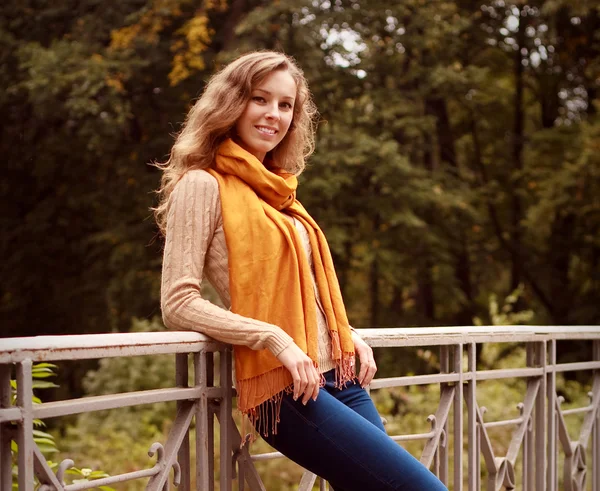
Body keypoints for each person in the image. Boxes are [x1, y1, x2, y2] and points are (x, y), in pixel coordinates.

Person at [156, 50, 447, 491]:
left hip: (337, 377)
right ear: (232, 103)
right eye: (260, 99)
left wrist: (345, 333)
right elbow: (178, 303)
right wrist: (276, 339)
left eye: (286, 105)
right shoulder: (202, 184)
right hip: (285, 386)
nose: (274, 114)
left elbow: (305, 289)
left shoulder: (278, 190)